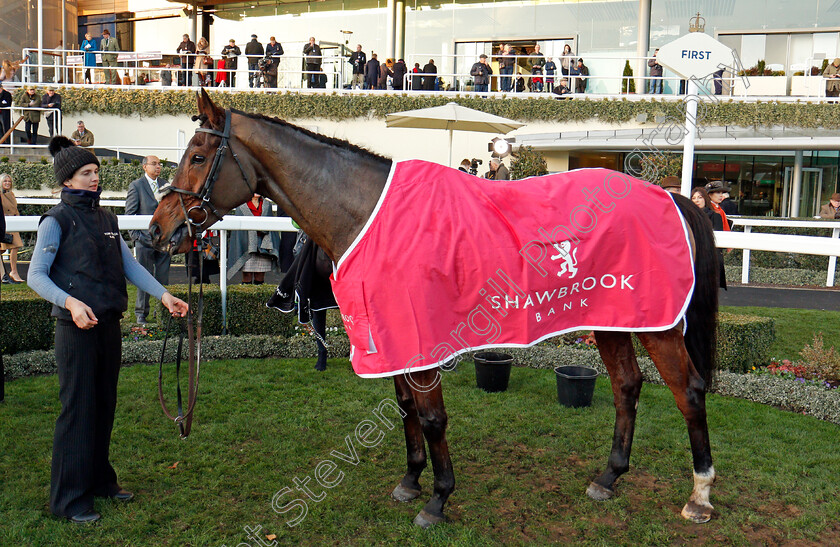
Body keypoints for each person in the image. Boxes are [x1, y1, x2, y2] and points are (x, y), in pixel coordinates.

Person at [28, 137, 188, 524]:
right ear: (68, 180)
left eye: (96, 172)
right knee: (77, 411)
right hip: (75, 330)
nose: (95, 178)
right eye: (87, 173)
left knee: (103, 407)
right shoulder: (55, 221)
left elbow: (128, 267)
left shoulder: (106, 219)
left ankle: (100, 481)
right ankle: (68, 500)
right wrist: (70, 302)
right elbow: (36, 275)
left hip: (108, 327)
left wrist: (164, 295)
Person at [125, 156, 172, 324]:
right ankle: (141, 314)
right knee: (143, 278)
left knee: (163, 279)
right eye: (154, 164)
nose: (158, 167)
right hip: (144, 242)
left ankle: (160, 313)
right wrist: (137, 237)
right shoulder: (136, 186)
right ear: (145, 167)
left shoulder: (166, 185)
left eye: (159, 164)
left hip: (164, 241)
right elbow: (129, 215)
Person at [227, 194, 281, 285]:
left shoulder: (267, 205)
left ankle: (259, 297)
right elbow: (238, 233)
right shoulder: (241, 206)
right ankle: (247, 298)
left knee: (260, 274)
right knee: (247, 275)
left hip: (263, 246)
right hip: (246, 246)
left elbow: (271, 226)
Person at [691, 186, 727, 288]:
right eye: (693, 198)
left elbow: (718, 241)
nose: (696, 201)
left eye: (699, 197)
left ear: (705, 199)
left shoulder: (715, 216)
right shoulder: (687, 216)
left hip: (708, 258)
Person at [0, 173, 24, 283]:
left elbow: (14, 208)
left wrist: (18, 219)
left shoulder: (11, 194)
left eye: (9, 181)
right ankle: (7, 273)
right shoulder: (0, 194)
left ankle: (13, 271)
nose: (7, 183)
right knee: (3, 249)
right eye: (5, 181)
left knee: (16, 246)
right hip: (4, 224)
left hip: (13, 223)